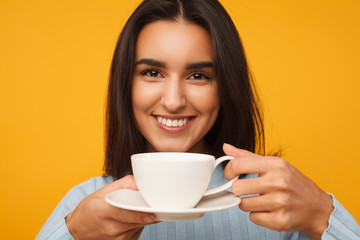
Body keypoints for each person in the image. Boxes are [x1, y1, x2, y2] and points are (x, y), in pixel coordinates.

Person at [36, 0, 360, 239]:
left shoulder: (276, 205)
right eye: (152, 72)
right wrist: (73, 235)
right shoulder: (84, 207)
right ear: (125, 85)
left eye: (198, 75)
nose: (174, 101)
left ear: (225, 88)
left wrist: (322, 214)